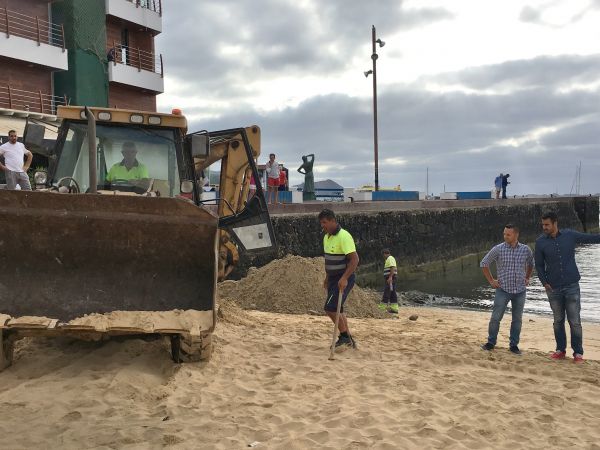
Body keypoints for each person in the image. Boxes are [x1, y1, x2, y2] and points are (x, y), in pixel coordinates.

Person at [535, 211, 600, 363]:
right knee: (558, 320)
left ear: (555, 223)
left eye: (547, 225)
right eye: (543, 225)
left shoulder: (570, 235)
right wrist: (544, 282)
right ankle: (560, 350)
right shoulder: (540, 242)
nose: (544, 227)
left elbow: (591, 239)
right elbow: (538, 265)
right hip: (553, 288)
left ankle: (578, 353)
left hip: (572, 286)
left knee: (575, 321)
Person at [480, 224, 533, 355]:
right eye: (504, 234)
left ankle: (514, 345)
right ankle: (491, 342)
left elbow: (531, 264)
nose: (505, 236)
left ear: (516, 235)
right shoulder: (498, 249)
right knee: (496, 317)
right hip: (503, 290)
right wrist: (491, 281)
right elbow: (484, 263)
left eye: (508, 234)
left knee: (517, 319)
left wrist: (527, 277)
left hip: (520, 291)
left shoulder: (526, 250)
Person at [319, 209, 359, 350]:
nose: (322, 225)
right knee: (338, 309)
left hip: (343, 278)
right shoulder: (326, 237)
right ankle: (349, 339)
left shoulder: (344, 236)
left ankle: (344, 337)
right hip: (332, 279)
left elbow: (354, 260)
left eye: (324, 222)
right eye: (321, 223)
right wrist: (327, 277)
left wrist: (344, 278)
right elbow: (329, 260)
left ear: (332, 221)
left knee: (330, 308)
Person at [380, 249, 399, 313]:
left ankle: (382, 308)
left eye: (383, 255)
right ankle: (394, 308)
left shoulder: (390, 258)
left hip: (391, 278)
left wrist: (390, 277)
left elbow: (392, 267)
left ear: (385, 254)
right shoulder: (389, 259)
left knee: (387, 291)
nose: (383, 257)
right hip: (391, 278)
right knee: (392, 292)